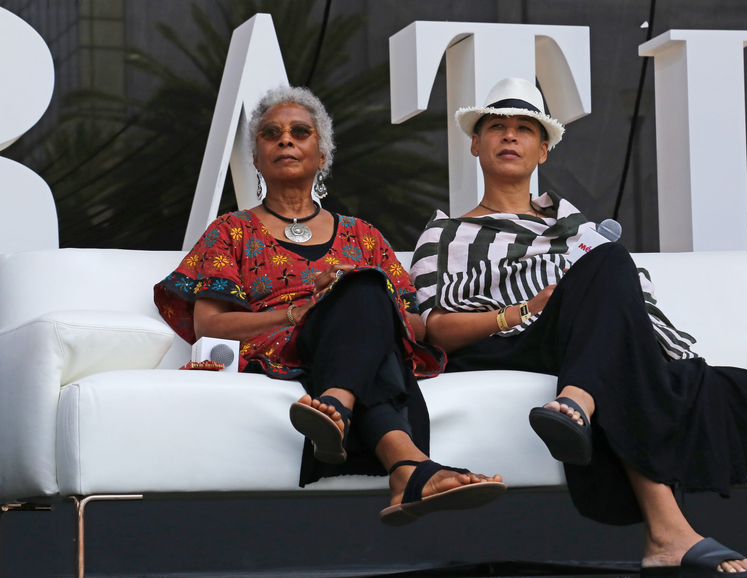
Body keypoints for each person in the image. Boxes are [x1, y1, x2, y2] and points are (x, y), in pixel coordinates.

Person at [410, 77, 747, 574]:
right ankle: (667, 530)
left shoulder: (580, 232)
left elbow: (635, 312)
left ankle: (581, 405)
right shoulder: (444, 233)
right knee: (610, 297)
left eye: (524, 129)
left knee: (608, 262)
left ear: (543, 150)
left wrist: (577, 297)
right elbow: (435, 328)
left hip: (578, 342)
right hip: (502, 339)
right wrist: (527, 307)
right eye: (497, 127)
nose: (510, 137)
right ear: (475, 143)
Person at [154, 85, 505, 526]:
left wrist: (356, 300)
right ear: (257, 158)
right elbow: (210, 324)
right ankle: (408, 462)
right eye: (271, 134)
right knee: (362, 293)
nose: (285, 140)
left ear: (322, 157)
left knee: (364, 289)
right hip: (284, 347)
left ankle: (347, 415)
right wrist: (302, 311)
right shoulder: (232, 230)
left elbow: (415, 326)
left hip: (363, 342)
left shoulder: (362, 235)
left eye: (300, 132)